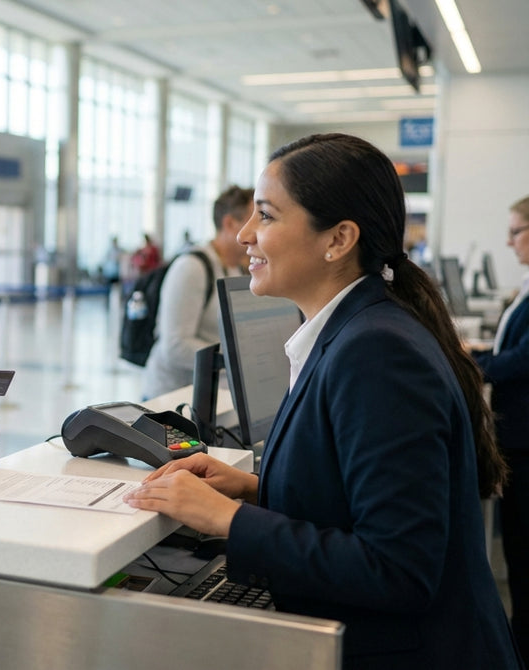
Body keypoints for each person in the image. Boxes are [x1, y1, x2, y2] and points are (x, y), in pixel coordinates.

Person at [125, 134, 520, 668]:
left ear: (338, 239)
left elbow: (398, 568)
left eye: (265, 216)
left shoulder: (376, 353)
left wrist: (229, 520)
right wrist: (254, 489)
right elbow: (360, 498)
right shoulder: (359, 329)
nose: (244, 235)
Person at [472, 195, 529, 656]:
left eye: (516, 231)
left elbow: (525, 359)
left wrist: (477, 361)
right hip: (517, 436)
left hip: (525, 440)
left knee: (524, 552)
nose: (509, 241)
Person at [142, 185, 252, 399]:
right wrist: (236, 357)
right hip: (171, 401)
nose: (259, 230)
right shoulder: (192, 267)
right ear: (229, 223)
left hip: (213, 396)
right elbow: (174, 346)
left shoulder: (237, 267)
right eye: (252, 219)